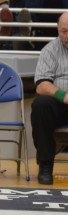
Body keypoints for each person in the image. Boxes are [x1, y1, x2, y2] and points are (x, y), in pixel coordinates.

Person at [31, 12, 68, 185]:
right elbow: (42, 85)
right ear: (58, 30)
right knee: (40, 105)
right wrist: (64, 96)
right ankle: (45, 166)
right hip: (60, 104)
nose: (67, 36)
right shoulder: (50, 50)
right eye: (64, 31)